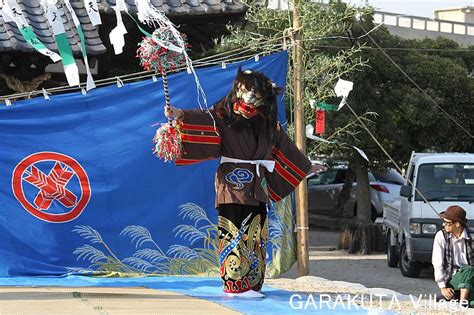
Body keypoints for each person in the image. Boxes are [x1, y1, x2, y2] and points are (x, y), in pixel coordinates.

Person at [164, 68, 323, 298]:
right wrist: (180, 114)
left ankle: (253, 283)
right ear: (238, 89)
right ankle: (235, 285)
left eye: (256, 95)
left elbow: (285, 147)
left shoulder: (266, 123)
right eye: (248, 91)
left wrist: (306, 166)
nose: (250, 98)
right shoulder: (222, 114)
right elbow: (203, 118)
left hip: (258, 184)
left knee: (257, 235)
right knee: (234, 232)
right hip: (231, 183)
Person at [432, 205, 474, 307]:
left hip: (472, 277)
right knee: (468, 270)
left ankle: (463, 300)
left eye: (447, 222)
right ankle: (462, 302)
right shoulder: (441, 236)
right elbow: (437, 262)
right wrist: (443, 287)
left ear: (457, 224)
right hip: (452, 278)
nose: (443, 224)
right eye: (444, 221)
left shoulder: (472, 236)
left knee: (469, 270)